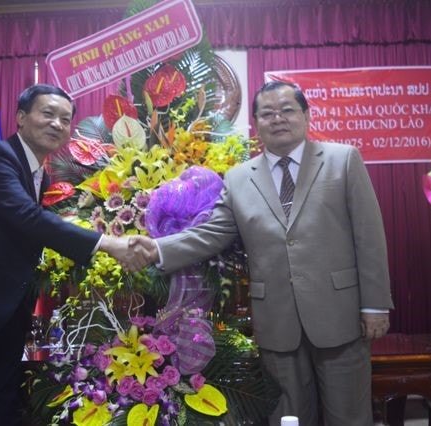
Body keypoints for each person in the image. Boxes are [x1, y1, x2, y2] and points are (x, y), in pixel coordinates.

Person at [132, 81, 394, 425]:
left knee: (348, 416)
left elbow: (369, 236)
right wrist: (156, 249)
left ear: (306, 115)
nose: (278, 118)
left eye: (287, 110)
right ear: (256, 123)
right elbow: (214, 233)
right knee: (287, 417)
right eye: (267, 113)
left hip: (340, 315)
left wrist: (374, 305)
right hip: (276, 319)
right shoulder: (239, 178)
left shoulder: (342, 160)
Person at [0, 84, 149, 426]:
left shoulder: (40, 174)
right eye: (48, 114)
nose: (57, 124)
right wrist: (107, 244)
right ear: (21, 118)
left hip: (7, 310)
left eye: (65, 119)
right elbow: (29, 220)